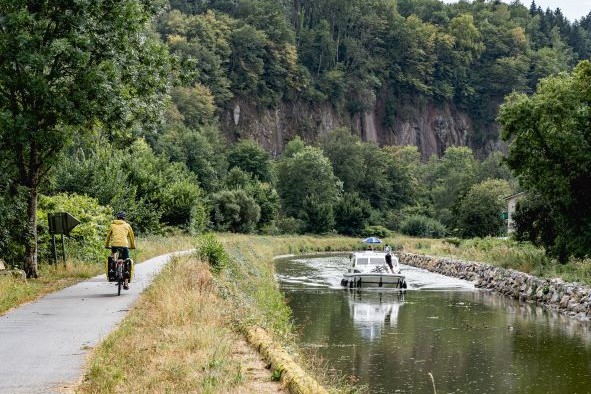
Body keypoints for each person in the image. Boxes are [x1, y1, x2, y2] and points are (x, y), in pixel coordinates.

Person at [104, 211, 135, 290]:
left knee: (113, 254)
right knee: (126, 260)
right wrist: (132, 246)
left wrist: (106, 245)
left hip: (114, 244)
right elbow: (131, 237)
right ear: (124, 218)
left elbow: (108, 236)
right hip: (124, 245)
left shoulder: (112, 225)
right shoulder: (127, 225)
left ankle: (113, 267)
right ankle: (126, 283)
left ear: (117, 218)